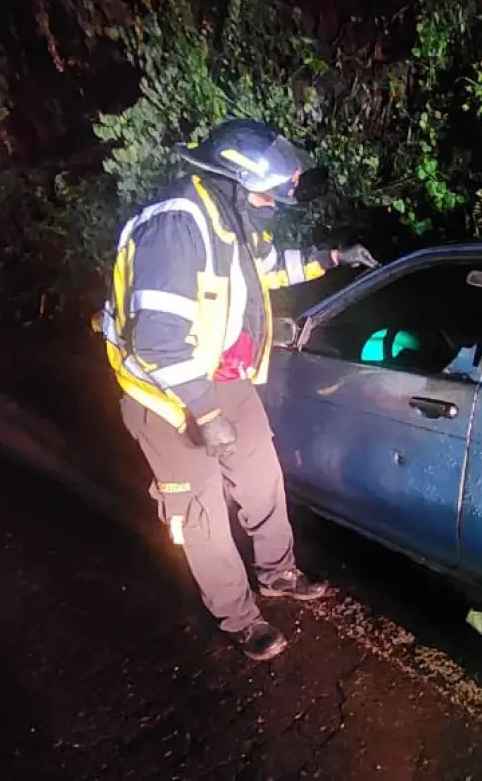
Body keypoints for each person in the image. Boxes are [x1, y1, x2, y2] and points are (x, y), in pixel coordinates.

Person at [94, 119, 379, 661]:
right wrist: (203, 410)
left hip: (222, 379)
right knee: (199, 509)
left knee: (261, 479)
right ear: (231, 180)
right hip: (165, 396)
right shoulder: (177, 229)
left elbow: (266, 272)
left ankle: (278, 574)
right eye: (268, 194)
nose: (274, 204)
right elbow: (155, 341)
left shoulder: (236, 220)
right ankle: (239, 617)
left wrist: (332, 258)